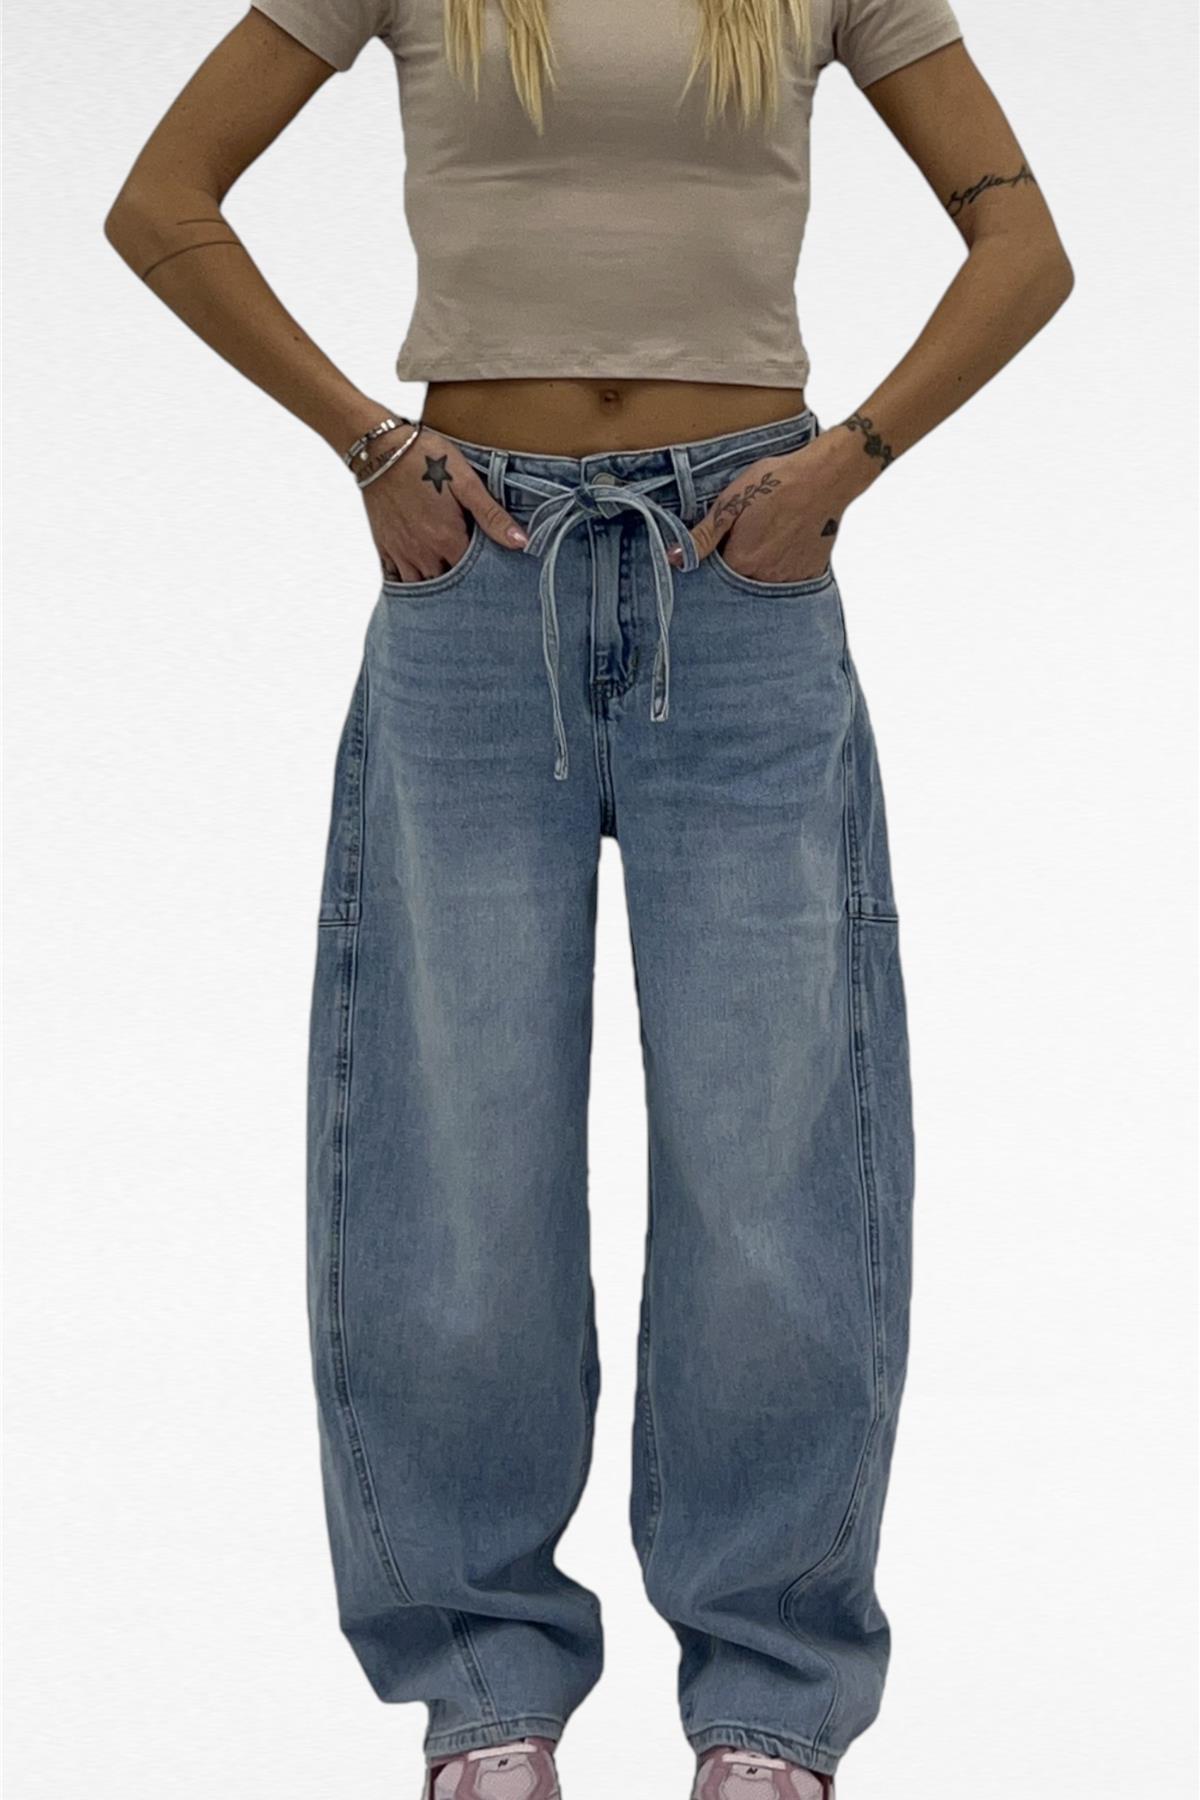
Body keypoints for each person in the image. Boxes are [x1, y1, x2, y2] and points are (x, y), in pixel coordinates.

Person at [105, 2, 1072, 1792]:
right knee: (453, 1157)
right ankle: (487, 1698)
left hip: (743, 570)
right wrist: (369, 445)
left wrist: (845, 464)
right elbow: (161, 199)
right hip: (475, 569)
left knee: (776, 1154)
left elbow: (1027, 249)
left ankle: (770, 1703)